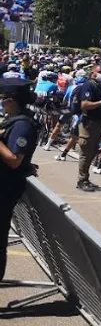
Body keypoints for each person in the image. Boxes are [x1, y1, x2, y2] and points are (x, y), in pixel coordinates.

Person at [0, 79, 38, 283]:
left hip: (4, 191)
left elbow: (15, 160)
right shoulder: (13, 120)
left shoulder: (22, 125)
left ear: (11, 100)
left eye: (3, 99)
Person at [75, 66, 101, 192]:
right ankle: (82, 180)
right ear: (93, 73)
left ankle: (85, 178)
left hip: (99, 123)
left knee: (93, 151)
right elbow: (85, 104)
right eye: (99, 72)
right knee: (86, 151)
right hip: (89, 122)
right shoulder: (89, 85)